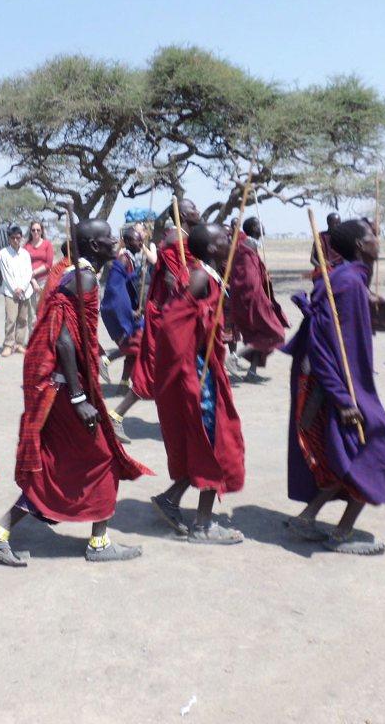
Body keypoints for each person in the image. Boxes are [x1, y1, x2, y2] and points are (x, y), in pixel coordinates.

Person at [0, 218, 153, 566]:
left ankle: (0, 533)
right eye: (107, 237)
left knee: (63, 463)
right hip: (65, 390)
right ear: (92, 246)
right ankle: (98, 543)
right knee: (105, 458)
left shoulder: (78, 274)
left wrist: (97, 354)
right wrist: (78, 398)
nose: (114, 240)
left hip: (66, 386)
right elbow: (63, 338)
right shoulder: (83, 278)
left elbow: (76, 333)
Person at [283, 219, 385, 555]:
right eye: (372, 236)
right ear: (360, 246)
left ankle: (307, 518)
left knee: (342, 452)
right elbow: (322, 344)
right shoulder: (345, 284)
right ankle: (343, 533)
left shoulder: (354, 281)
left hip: (347, 382)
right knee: (373, 447)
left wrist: (379, 308)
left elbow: (377, 326)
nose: (378, 239)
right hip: (335, 384)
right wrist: (344, 399)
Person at [151, 224, 245, 543]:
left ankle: (170, 499)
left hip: (207, 365)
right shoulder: (200, 277)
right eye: (223, 239)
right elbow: (174, 320)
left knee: (208, 439)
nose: (228, 242)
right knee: (211, 442)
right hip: (197, 372)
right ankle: (203, 525)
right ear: (211, 249)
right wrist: (199, 336)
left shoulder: (210, 274)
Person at [110, 198, 201, 435]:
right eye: (193, 208)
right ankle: (116, 414)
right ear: (181, 213)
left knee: (182, 370)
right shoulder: (175, 240)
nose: (198, 211)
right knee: (154, 369)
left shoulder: (185, 239)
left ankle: (183, 419)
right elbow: (173, 281)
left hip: (177, 313)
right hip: (166, 315)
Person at [229, 217, 289, 383]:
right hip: (253, 300)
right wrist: (263, 299)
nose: (263, 226)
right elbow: (248, 281)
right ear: (254, 227)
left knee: (259, 334)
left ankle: (252, 372)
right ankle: (235, 356)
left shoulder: (252, 247)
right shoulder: (246, 249)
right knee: (275, 333)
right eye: (260, 224)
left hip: (256, 297)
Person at [100, 226, 145, 397]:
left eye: (140, 238)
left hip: (130, 309)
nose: (140, 241)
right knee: (139, 342)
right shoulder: (124, 260)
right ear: (126, 242)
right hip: (119, 310)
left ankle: (124, 385)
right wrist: (129, 312)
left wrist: (138, 275)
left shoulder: (131, 259)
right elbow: (115, 290)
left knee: (134, 350)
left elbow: (126, 283)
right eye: (136, 239)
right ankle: (107, 359)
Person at [0, 226, 33, 356]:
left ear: (21, 238)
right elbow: (5, 273)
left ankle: (19, 344)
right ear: (9, 239)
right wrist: (15, 289)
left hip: (25, 291)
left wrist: (22, 288)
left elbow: (28, 272)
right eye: (13, 238)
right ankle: (8, 344)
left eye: (18, 238)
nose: (15, 240)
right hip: (10, 291)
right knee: (11, 319)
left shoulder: (25, 254)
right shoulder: (4, 253)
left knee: (23, 319)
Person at [24, 220, 54, 318]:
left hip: (45, 281)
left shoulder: (47, 244)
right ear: (30, 231)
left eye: (38, 230)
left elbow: (48, 264)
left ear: (42, 231)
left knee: (45, 311)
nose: (36, 232)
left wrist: (34, 272)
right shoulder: (26, 247)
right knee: (32, 314)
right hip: (30, 282)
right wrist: (33, 280)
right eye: (33, 230)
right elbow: (24, 266)